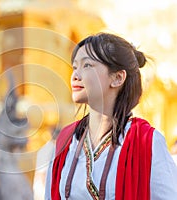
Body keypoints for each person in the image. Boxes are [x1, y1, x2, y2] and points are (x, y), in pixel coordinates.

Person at [45, 32, 177, 200]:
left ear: (117, 78)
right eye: (75, 67)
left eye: (86, 65)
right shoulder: (65, 141)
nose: (75, 75)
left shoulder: (147, 142)